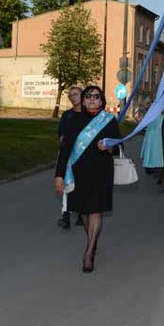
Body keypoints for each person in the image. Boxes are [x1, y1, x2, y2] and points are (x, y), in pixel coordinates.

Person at [54, 85, 121, 273]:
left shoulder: (108, 121)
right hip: (78, 173)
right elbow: (65, 150)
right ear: (83, 100)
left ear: (102, 101)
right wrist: (59, 176)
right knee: (84, 212)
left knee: (95, 211)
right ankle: (92, 239)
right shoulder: (73, 120)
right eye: (89, 96)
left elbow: (118, 146)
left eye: (96, 97)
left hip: (101, 173)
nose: (92, 100)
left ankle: (89, 252)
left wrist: (108, 147)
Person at [57, 86, 83, 230]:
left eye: (76, 94)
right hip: (69, 155)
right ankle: (65, 216)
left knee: (81, 184)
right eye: (71, 95)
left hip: (83, 156)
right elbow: (61, 135)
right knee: (67, 184)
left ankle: (80, 213)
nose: (73, 97)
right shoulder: (67, 115)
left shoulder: (88, 115)